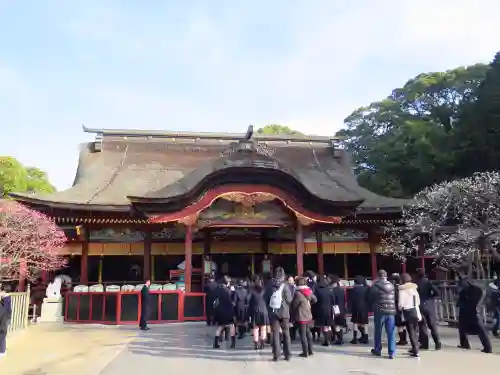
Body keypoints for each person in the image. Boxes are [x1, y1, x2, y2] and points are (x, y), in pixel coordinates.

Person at [456, 276, 492, 353]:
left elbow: (483, 293)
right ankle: (464, 344)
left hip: (472, 310)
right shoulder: (464, 289)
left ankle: (488, 347)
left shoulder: (475, 288)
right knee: (462, 327)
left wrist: (479, 304)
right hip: (465, 309)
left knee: (480, 329)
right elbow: (459, 297)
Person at [265, 267, 293, 361]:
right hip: (284, 313)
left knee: (275, 334)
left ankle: (276, 355)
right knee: (286, 333)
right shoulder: (285, 286)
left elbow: (266, 299)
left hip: (273, 312)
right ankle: (288, 354)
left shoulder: (269, 285)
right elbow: (289, 300)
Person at [370, 269, 397, 359]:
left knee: (378, 331)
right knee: (391, 332)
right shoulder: (392, 285)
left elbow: (371, 297)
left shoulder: (375, 286)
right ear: (386, 276)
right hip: (391, 311)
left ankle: (377, 350)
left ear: (378, 276)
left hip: (379, 311)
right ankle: (391, 352)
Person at [415, 269, 442, 350]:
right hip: (429, 304)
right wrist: (431, 297)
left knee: (422, 325)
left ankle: (424, 344)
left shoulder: (416, 283)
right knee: (432, 325)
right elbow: (438, 293)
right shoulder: (429, 282)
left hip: (420, 304)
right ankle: (437, 342)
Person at [291, 276, 317, 357]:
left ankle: (305, 352)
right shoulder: (309, 291)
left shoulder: (298, 293)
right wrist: (309, 304)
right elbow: (315, 299)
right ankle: (310, 350)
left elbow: (294, 305)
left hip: (301, 316)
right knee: (308, 333)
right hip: (308, 314)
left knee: (302, 334)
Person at [398, 273, 422, 358]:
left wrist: (400, 309)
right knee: (415, 331)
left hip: (407, 311)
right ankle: (415, 348)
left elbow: (401, 304)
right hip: (415, 310)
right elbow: (418, 301)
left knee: (411, 331)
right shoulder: (414, 289)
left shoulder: (402, 290)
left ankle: (415, 350)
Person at [213, 275, 236, 349]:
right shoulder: (227, 291)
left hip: (220, 310)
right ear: (227, 282)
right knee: (232, 326)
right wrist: (233, 291)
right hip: (228, 311)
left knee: (220, 327)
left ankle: (215, 343)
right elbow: (231, 301)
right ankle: (233, 343)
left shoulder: (217, 289)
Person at [247, 276, 270, 350]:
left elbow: (248, 300)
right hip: (264, 310)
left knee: (256, 328)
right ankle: (262, 344)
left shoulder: (251, 290)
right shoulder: (265, 290)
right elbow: (268, 300)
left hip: (255, 310)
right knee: (263, 328)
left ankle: (256, 344)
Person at [313, 275, 335, 347]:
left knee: (324, 326)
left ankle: (326, 341)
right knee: (328, 325)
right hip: (329, 309)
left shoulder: (318, 291)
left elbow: (315, 301)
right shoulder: (330, 290)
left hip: (321, 310)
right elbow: (333, 301)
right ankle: (329, 339)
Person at [349, 275, 370, 344]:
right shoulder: (367, 288)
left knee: (355, 322)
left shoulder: (353, 289)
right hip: (364, 307)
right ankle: (366, 338)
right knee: (365, 323)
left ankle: (354, 338)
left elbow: (351, 299)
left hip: (356, 307)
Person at [391, 273, 407, 346]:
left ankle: (401, 340)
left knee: (399, 325)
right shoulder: (403, 287)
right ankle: (405, 339)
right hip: (405, 307)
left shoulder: (393, 288)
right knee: (403, 324)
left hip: (397, 307)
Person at [331, 275, 347, 345]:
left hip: (336, 308)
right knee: (340, 324)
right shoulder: (342, 290)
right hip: (342, 308)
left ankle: (340, 339)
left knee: (336, 324)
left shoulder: (333, 290)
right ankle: (341, 338)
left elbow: (333, 301)